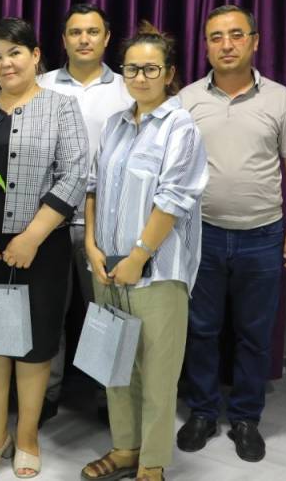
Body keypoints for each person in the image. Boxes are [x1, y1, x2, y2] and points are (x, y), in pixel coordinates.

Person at [0, 18, 89, 479]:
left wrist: (31, 237)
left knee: (34, 347)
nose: (5, 63)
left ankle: (27, 436)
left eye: (14, 53)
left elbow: (74, 175)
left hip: (41, 247)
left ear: (35, 56)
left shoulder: (61, 107)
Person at [176, 5, 286, 463]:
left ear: (255, 41)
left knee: (254, 334)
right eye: (216, 37)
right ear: (206, 46)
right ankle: (201, 411)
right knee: (201, 330)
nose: (227, 44)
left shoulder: (280, 99)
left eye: (236, 35)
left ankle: (246, 418)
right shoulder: (188, 99)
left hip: (263, 236)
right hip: (202, 234)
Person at [80, 24, 208, 481]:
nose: (140, 76)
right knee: (115, 362)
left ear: (169, 73)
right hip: (107, 266)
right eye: (132, 68)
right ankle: (124, 448)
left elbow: (173, 199)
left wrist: (138, 256)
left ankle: (151, 463)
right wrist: (91, 245)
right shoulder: (115, 124)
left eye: (151, 68)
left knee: (157, 371)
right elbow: (92, 187)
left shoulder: (181, 127)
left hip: (157, 271)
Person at [36, 3, 132, 421]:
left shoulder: (128, 88)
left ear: (107, 38)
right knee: (49, 313)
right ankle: (46, 393)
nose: (84, 39)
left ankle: (110, 400)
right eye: (75, 32)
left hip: (108, 226)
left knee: (108, 314)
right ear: (63, 40)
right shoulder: (40, 85)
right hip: (49, 222)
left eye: (93, 31)